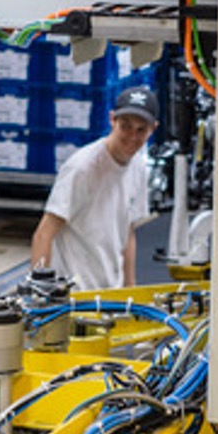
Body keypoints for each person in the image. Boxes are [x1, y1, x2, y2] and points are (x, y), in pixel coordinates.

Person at [30, 85, 157, 293]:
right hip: (75, 295)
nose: (132, 136)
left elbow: (128, 231)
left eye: (141, 129)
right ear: (112, 120)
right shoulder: (82, 169)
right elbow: (44, 234)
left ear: (153, 129)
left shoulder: (139, 166)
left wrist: (130, 289)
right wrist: (38, 296)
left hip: (110, 293)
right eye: (125, 126)